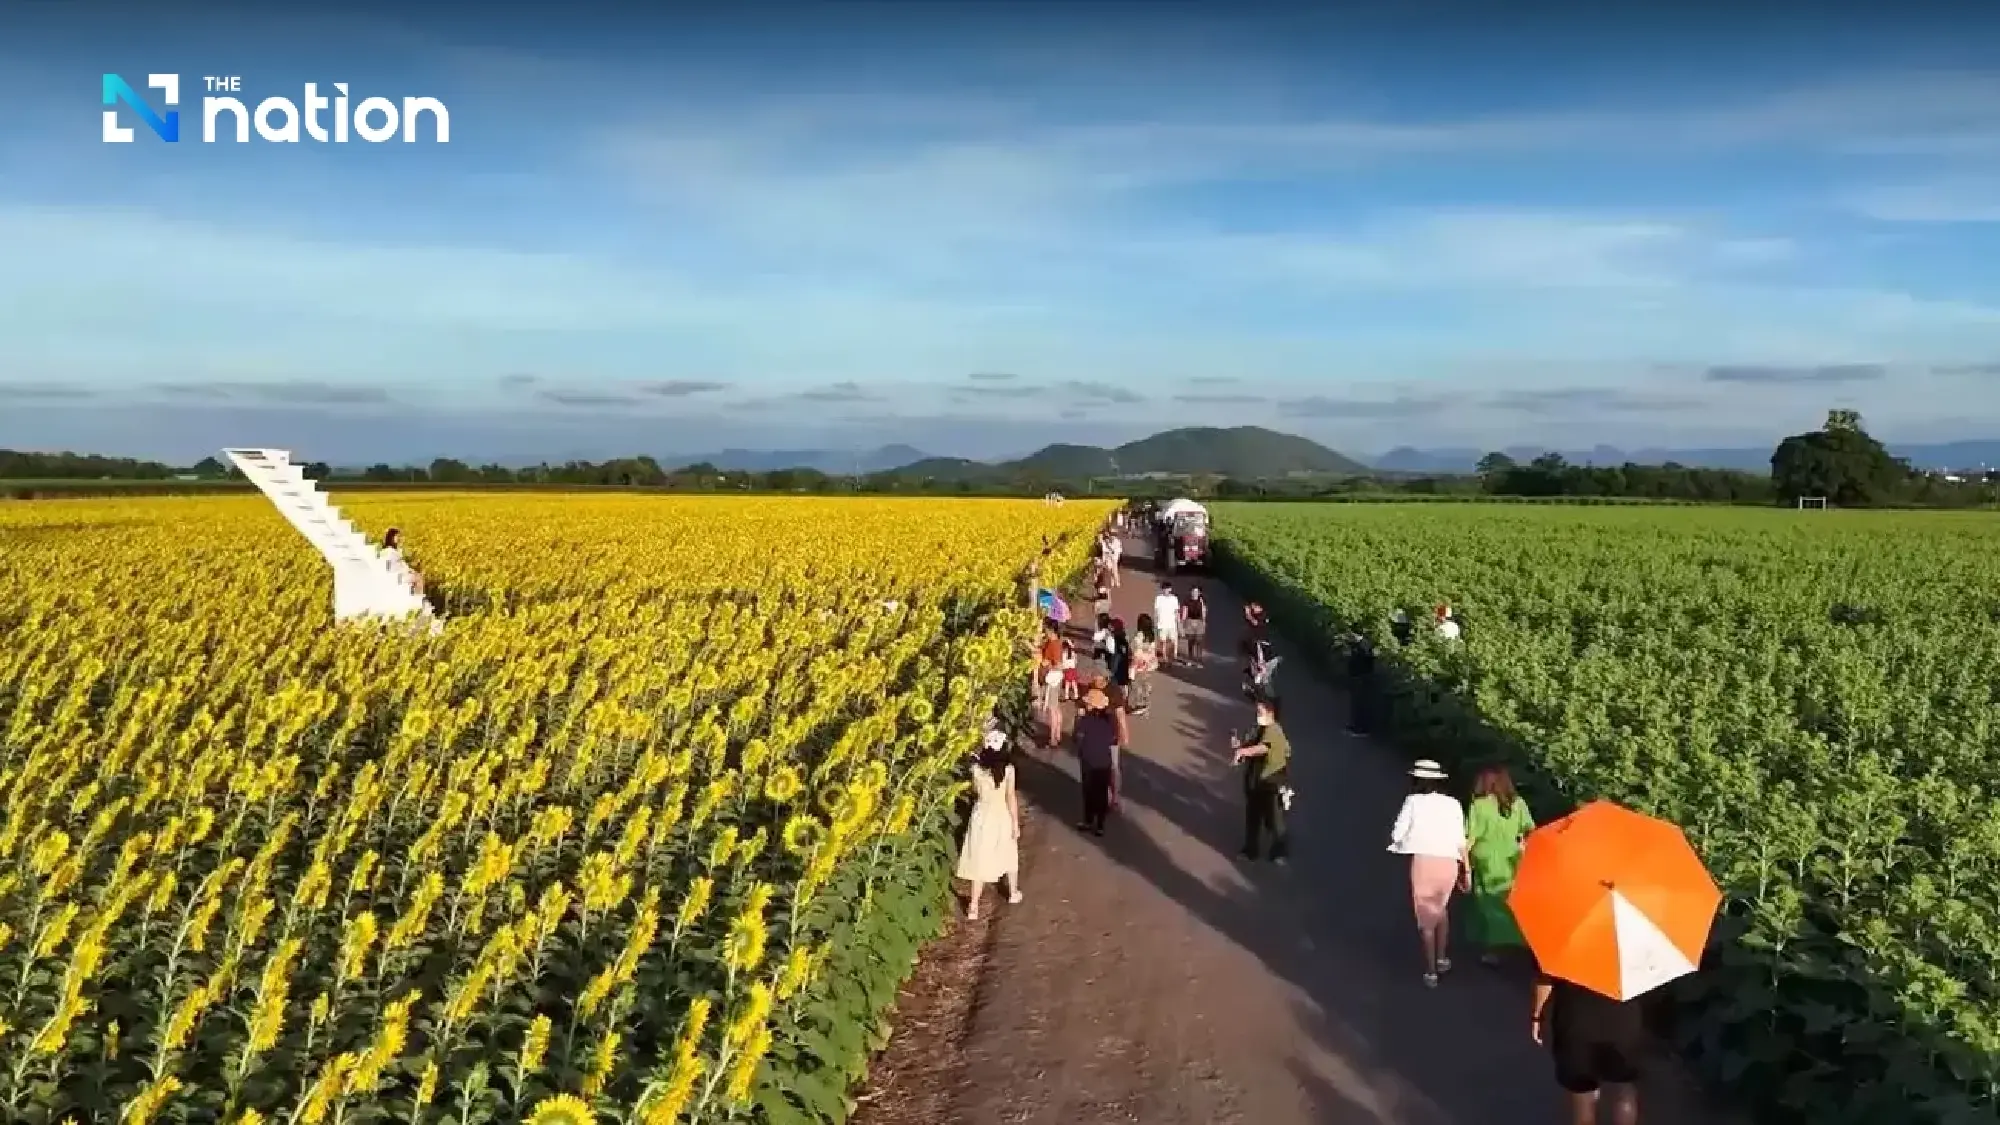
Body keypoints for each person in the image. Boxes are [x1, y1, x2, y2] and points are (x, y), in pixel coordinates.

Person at [1387, 759, 1468, 987]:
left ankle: (1431, 970)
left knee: (1425, 917)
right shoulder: (1453, 804)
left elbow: (1397, 833)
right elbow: (1460, 839)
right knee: (1440, 908)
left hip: (1424, 861)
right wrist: (1467, 869)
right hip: (1449, 862)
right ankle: (1442, 959)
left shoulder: (1413, 802)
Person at [1534, 973, 1646, 1125]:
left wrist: (1537, 1015)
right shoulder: (1629, 956)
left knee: (1583, 1095)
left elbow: (1545, 978)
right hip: (1624, 1020)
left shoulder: (1564, 955)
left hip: (1576, 1021)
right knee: (1623, 1089)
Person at [1465, 765, 1535, 965]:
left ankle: (1493, 951)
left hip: (1486, 860)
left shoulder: (1478, 805)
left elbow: (1470, 837)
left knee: (1488, 905)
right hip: (1512, 858)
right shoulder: (1518, 803)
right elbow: (1531, 830)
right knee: (1512, 901)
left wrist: (1464, 865)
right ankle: (1522, 943)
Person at [957, 730, 1023, 920]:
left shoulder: (976, 769)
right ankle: (1013, 892)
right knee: (1009, 853)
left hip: (981, 815)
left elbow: (975, 790)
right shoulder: (1008, 770)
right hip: (1001, 814)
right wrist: (1015, 823)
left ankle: (973, 906)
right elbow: (1010, 797)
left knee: (980, 859)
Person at [1230, 696, 1292, 864]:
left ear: (1271, 713)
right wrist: (1239, 747)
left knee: (1274, 819)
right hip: (1255, 780)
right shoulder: (1257, 729)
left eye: (1260, 711)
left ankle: (1280, 851)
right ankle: (1250, 850)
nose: (1257, 713)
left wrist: (1243, 752)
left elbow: (1263, 748)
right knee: (1253, 816)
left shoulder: (1275, 731)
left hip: (1272, 782)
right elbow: (1249, 745)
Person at [1073, 688, 1122, 836]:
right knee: (1101, 792)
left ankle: (1088, 821)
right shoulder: (1109, 720)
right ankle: (1100, 825)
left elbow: (1076, 738)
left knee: (1088, 791)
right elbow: (1114, 739)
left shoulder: (1084, 721)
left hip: (1088, 760)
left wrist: (1078, 719)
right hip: (1104, 760)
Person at [1035, 618, 1066, 748]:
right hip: (1055, 678)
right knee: (1056, 708)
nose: (1044, 632)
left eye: (1045, 629)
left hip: (1053, 679)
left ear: (1051, 630)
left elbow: (1059, 665)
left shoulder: (1054, 645)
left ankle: (1053, 738)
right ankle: (1057, 734)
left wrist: (1046, 664)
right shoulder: (1052, 642)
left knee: (1052, 709)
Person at [1344, 623, 1377, 734]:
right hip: (1357, 677)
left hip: (1361, 678)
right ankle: (1355, 725)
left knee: (1360, 705)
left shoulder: (1363, 646)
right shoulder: (1358, 645)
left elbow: (1366, 661)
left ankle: (1361, 728)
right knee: (1356, 704)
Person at [1128, 614, 1159, 715]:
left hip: (1139, 664)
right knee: (1145, 684)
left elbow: (1134, 649)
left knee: (1136, 685)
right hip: (1149, 664)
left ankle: (1140, 705)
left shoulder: (1138, 636)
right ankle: (1145, 704)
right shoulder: (1151, 636)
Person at [381, 527, 425, 597]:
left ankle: (416, 597)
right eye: (396, 536)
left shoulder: (391, 551)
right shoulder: (390, 552)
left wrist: (410, 570)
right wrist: (408, 571)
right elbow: (390, 568)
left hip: (399, 575)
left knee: (416, 576)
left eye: (399, 536)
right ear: (391, 538)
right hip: (397, 577)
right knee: (418, 578)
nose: (399, 538)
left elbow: (400, 565)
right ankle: (418, 598)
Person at [1151, 581, 1182, 665]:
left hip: (1172, 624)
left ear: (1170, 589)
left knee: (1173, 641)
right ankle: (1164, 657)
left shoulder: (1174, 599)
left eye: (1167, 588)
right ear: (1162, 589)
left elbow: (1176, 612)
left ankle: (1174, 655)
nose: (1166, 590)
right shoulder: (1158, 598)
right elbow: (1156, 611)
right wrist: (1155, 622)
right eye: (1164, 589)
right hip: (1162, 624)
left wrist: (1179, 623)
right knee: (1163, 641)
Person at [1181, 586, 1208, 664]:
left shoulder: (1202, 600)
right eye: (1193, 591)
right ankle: (1190, 658)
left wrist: (1204, 621)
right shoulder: (1187, 600)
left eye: (1196, 592)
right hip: (1190, 621)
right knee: (1191, 641)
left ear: (1199, 593)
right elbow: (1185, 611)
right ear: (1191, 592)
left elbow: (1204, 611)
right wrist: (1183, 622)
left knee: (1199, 641)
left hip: (1199, 621)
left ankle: (1199, 659)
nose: (1195, 593)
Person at [1060, 638, 1080, 703]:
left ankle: (1066, 696)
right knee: (1074, 683)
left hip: (1067, 670)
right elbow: (1076, 662)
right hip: (1073, 669)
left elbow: (1063, 663)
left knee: (1067, 684)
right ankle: (1076, 696)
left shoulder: (1064, 654)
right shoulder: (1073, 653)